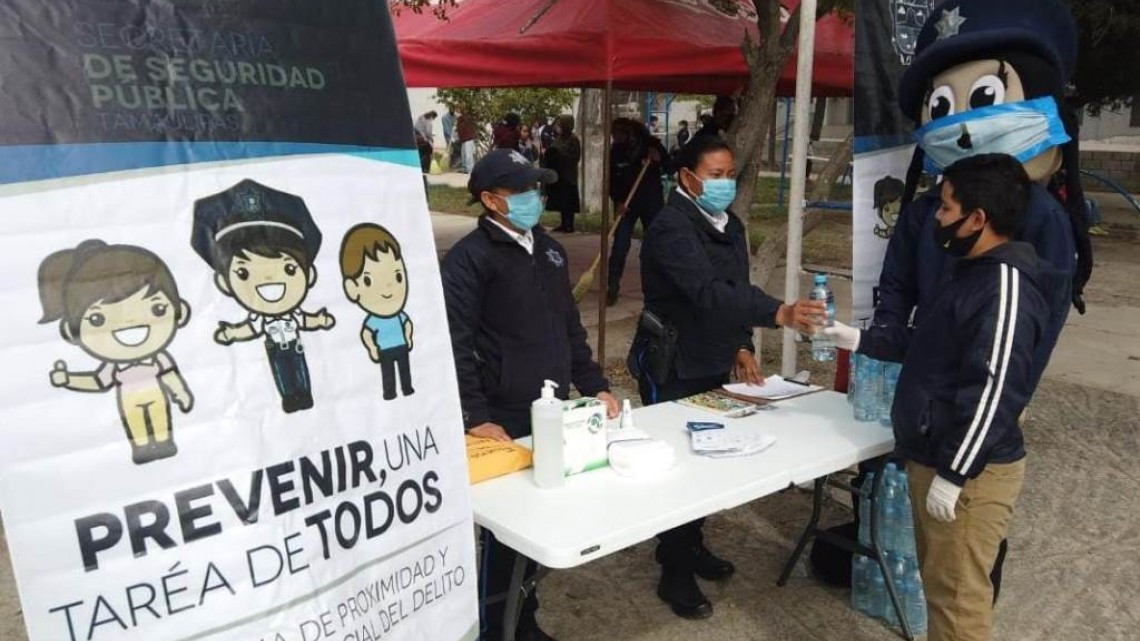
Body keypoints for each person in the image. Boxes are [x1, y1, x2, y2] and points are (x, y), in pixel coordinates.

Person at [817, 0, 1091, 599]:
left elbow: (1020, 356)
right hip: (922, 395)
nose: (962, 125)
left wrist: (985, 426)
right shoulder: (922, 215)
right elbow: (896, 292)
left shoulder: (1038, 223)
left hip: (983, 406)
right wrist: (868, 337)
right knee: (929, 540)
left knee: (969, 550)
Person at [825, 154, 1054, 641]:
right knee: (941, 592)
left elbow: (994, 392)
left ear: (979, 219)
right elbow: (929, 342)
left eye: (946, 208)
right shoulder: (970, 271)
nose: (937, 217)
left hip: (968, 473)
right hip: (936, 453)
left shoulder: (1004, 286)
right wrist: (857, 339)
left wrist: (955, 474)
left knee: (958, 605)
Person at [632, 136, 824, 620]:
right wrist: (777, 312)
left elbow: (736, 290)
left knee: (708, 459)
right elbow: (707, 291)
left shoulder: (730, 224)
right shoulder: (670, 227)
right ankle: (674, 568)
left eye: (729, 174)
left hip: (713, 358)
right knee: (677, 465)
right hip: (672, 362)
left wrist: (742, 344)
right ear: (687, 177)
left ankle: (689, 544)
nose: (725, 184)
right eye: (715, 175)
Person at [441, 148, 620, 641]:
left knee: (541, 521)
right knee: (503, 533)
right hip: (500, 413)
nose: (534, 199)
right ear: (491, 201)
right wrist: (475, 414)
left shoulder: (549, 249)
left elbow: (568, 326)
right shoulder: (468, 261)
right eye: (521, 192)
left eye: (535, 188)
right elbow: (453, 343)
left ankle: (525, 617)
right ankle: (496, 626)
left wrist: (595, 384)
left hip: (551, 406)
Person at [38, 240, 194, 465]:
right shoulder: (114, 365)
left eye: (156, 309)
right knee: (136, 425)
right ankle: (141, 448)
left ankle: (164, 442)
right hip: (128, 399)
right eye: (98, 319)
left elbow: (171, 376)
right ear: (72, 332)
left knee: (160, 420)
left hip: (156, 394)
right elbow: (98, 382)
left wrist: (181, 394)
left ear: (181, 312)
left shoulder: (157, 357)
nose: (130, 324)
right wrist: (68, 380)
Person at [191, 179, 336, 414]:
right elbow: (250, 327)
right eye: (245, 273)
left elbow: (305, 320)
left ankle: (304, 393)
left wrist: (319, 321)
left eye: (289, 270)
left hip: (294, 345)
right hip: (275, 347)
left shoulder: (294, 313)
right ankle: (289, 396)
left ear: (308, 276)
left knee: (300, 369)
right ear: (224, 284)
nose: (270, 282)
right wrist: (232, 332)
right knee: (282, 372)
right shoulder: (262, 319)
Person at [340, 224, 415, 401]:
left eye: (398, 276)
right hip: (384, 349)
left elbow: (407, 323)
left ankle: (407, 388)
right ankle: (389, 393)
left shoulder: (398, 314)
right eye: (368, 281)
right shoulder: (373, 319)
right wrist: (372, 347)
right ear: (353, 288)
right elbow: (367, 333)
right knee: (387, 373)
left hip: (401, 345)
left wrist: (409, 336)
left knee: (405, 370)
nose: (388, 287)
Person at [607, 117, 670, 306]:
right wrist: (617, 201)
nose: (614, 137)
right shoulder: (616, 151)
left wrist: (658, 159)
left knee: (653, 247)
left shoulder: (652, 146)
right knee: (619, 246)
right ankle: (612, 287)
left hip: (651, 203)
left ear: (629, 133)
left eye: (618, 134)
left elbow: (671, 167)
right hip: (626, 205)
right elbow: (611, 180)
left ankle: (655, 289)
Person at [542, 115, 582, 233]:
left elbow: (575, 157)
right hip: (559, 174)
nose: (559, 126)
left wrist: (560, 154)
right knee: (561, 200)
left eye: (562, 123)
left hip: (569, 175)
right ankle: (564, 223)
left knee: (569, 200)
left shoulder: (573, 139)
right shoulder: (559, 138)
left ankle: (570, 224)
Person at [413, 110, 437, 177]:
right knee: (427, 153)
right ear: (432, 116)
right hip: (423, 140)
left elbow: (416, 128)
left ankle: (418, 167)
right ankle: (425, 168)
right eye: (434, 118)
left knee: (420, 153)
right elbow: (428, 132)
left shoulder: (420, 117)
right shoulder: (428, 121)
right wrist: (431, 139)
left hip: (417, 139)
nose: (433, 120)